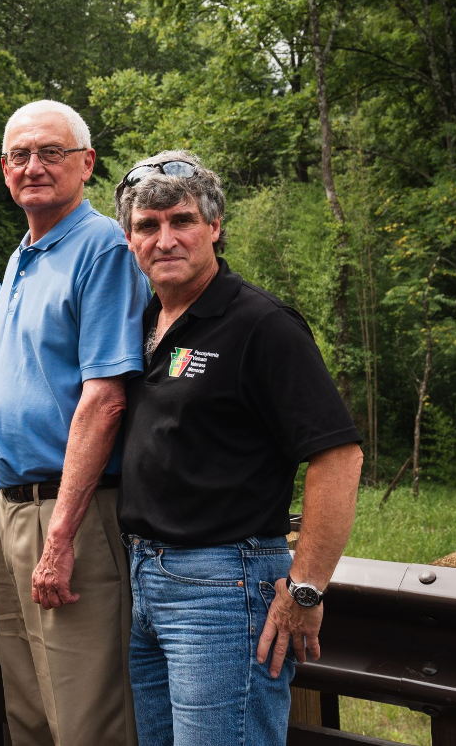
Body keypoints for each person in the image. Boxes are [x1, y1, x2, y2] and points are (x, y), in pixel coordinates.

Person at [114, 151, 363, 745]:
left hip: (227, 587)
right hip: (146, 579)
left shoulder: (260, 323)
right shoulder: (144, 322)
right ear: (129, 240)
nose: (165, 239)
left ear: (215, 226)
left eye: (182, 221)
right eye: (148, 226)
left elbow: (339, 455)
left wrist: (305, 588)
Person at [0, 100, 150, 746]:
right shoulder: (23, 254)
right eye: (20, 155)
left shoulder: (101, 247)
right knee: (30, 712)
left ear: (87, 163)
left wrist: (61, 537)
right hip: (16, 510)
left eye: (51, 153)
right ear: (3, 169)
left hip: (71, 514)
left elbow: (105, 398)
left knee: (86, 717)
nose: (34, 167)